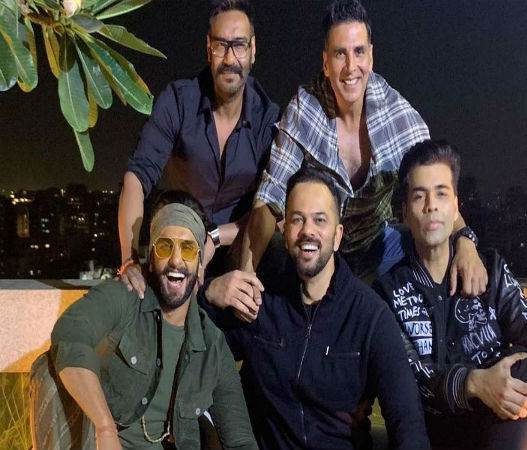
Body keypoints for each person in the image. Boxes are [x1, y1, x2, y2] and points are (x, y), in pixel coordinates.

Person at [238, 0, 485, 294]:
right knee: (275, 245)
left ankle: (422, 313)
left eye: (358, 52)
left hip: (379, 249)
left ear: (371, 56)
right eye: (340, 54)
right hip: (321, 247)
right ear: (326, 63)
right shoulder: (304, 109)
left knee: (422, 238)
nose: (350, 67)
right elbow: (269, 199)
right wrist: (245, 275)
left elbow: (438, 192)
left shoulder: (400, 117)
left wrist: (466, 243)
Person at [201, 166, 431, 450]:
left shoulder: (370, 317)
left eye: (319, 220)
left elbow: (407, 421)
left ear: (337, 235)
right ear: (285, 232)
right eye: (297, 220)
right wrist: (208, 293)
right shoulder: (261, 302)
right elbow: (197, 347)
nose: (307, 231)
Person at [372, 140, 527, 450]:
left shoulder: (490, 271)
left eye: (441, 194)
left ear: (455, 207)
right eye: (419, 196)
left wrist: (523, 375)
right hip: (442, 435)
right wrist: (476, 383)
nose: (431, 206)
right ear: (405, 213)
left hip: (508, 423)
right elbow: (412, 380)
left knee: (524, 365)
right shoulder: (389, 293)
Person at [30, 192, 257, 450]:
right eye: (165, 247)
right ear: (151, 256)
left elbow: (240, 440)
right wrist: (105, 428)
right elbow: (70, 334)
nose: (176, 261)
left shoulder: (212, 345)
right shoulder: (125, 298)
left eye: (187, 249)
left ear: (200, 263)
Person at [118, 0, 279, 297]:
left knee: (278, 251)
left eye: (239, 45)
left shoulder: (267, 118)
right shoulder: (178, 101)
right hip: (180, 242)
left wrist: (215, 237)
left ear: (253, 49)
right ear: (208, 48)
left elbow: (272, 209)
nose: (229, 58)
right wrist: (129, 260)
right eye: (220, 45)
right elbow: (137, 177)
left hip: (237, 246)